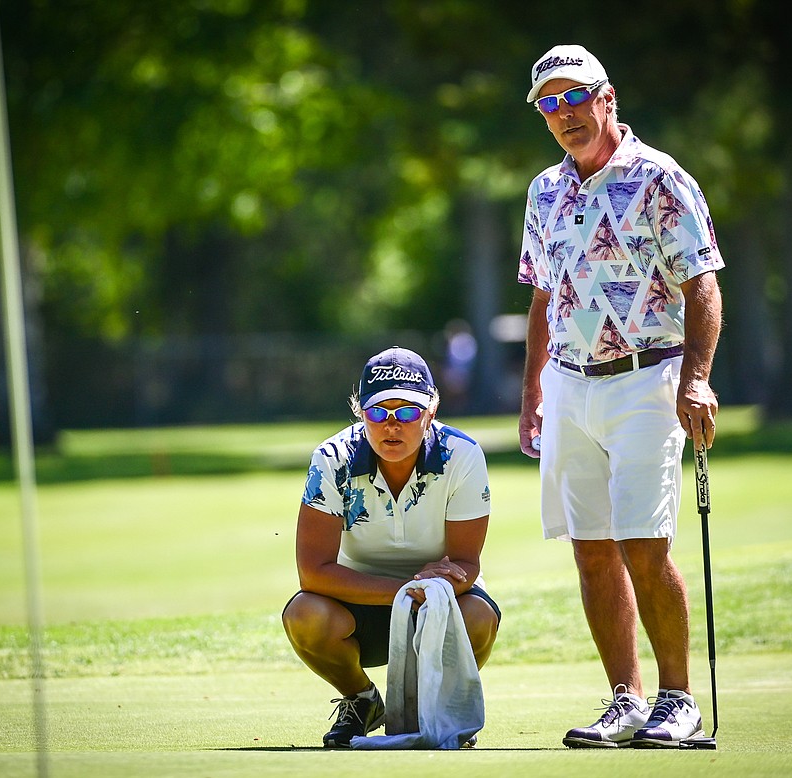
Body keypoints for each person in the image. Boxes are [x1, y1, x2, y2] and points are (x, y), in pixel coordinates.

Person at [516, 44, 724, 748]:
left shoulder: (661, 178)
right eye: (550, 103)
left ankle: (678, 700)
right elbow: (543, 296)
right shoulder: (544, 190)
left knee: (644, 545)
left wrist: (696, 377)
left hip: (647, 379)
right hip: (569, 387)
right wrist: (532, 395)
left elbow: (702, 284)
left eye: (576, 97)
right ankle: (625, 699)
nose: (564, 112)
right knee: (592, 551)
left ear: (608, 98)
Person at [282, 346, 500, 748]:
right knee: (304, 615)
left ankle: (438, 707)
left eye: (407, 412)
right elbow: (312, 573)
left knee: (479, 617)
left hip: (438, 601)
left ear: (430, 412)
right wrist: (404, 591)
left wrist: (428, 592)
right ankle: (362, 701)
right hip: (358, 601)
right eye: (378, 413)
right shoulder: (333, 458)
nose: (391, 426)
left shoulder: (462, 455)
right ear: (361, 413)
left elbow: (466, 563)